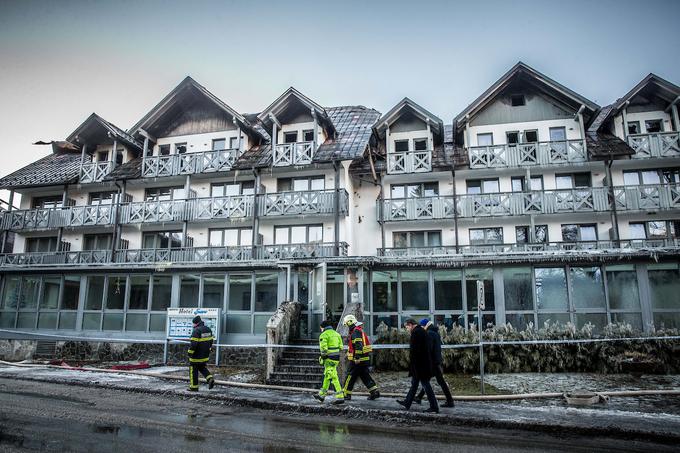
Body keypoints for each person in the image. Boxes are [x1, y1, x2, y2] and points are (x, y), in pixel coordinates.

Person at [397, 318, 439, 413]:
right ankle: (407, 402)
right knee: (414, 384)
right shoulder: (421, 331)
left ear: (411, 324)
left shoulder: (416, 333)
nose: (407, 329)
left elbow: (415, 351)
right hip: (422, 364)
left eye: (407, 326)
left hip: (420, 366)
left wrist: (413, 364)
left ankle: (434, 406)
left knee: (426, 385)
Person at [413, 318, 454, 408]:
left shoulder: (429, 334)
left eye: (422, 327)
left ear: (425, 326)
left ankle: (450, 401)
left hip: (432, 362)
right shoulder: (435, 333)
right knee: (428, 380)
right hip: (436, 361)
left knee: (432, 381)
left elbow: (428, 349)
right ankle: (419, 397)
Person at [341, 314, 380, 401]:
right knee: (365, 376)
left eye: (347, 324)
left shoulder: (356, 331)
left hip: (358, 360)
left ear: (350, 322)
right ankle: (374, 392)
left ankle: (346, 394)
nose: (347, 326)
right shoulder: (358, 330)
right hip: (364, 359)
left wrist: (357, 357)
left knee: (350, 376)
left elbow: (358, 344)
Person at [314, 320, 345, 404]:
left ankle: (340, 396)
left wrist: (323, 357)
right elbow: (341, 347)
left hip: (328, 359)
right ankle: (321, 395)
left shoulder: (324, 335)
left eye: (321, 328)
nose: (321, 329)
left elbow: (323, 348)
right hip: (336, 358)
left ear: (323, 327)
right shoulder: (337, 334)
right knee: (327, 376)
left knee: (333, 377)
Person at [188, 315, 215, 391]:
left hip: (196, 356)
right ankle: (210, 378)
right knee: (202, 368)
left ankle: (194, 387)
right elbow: (210, 341)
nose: (193, 325)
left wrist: (190, 353)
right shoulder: (208, 329)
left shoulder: (196, 331)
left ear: (196, 323)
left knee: (193, 370)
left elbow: (193, 344)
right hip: (205, 355)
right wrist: (208, 349)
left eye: (193, 324)